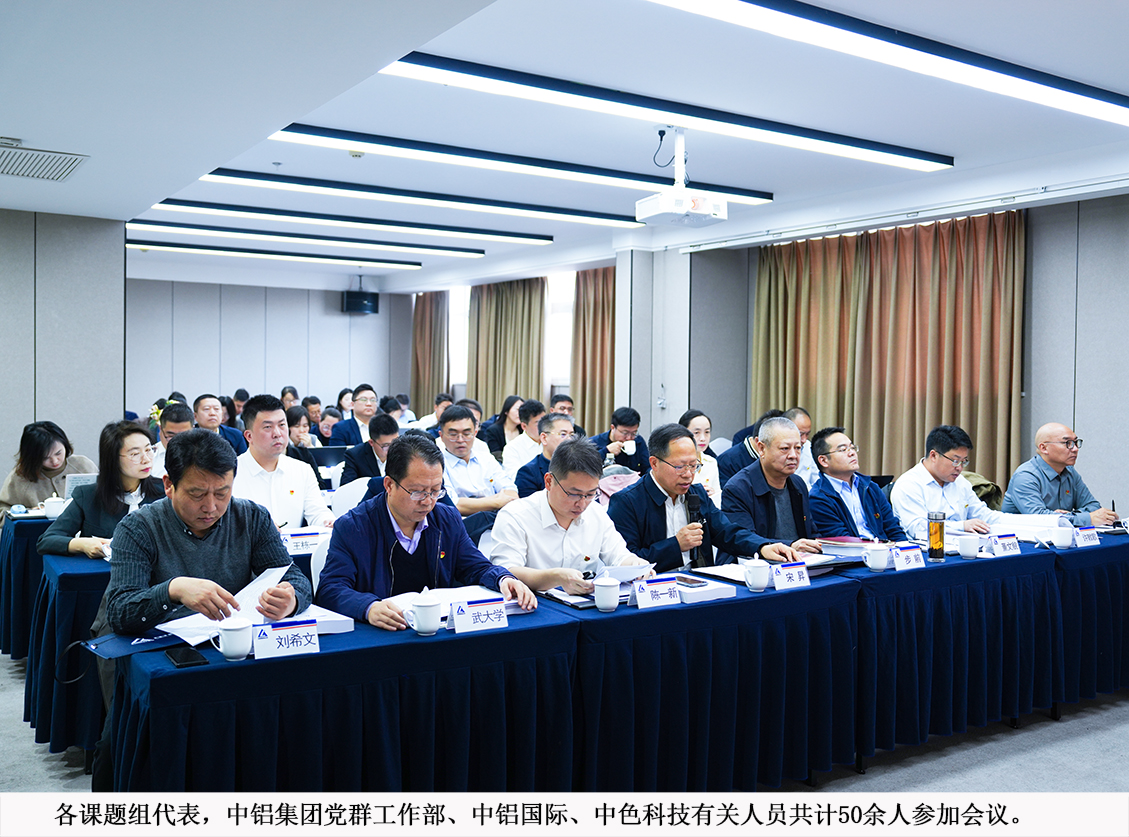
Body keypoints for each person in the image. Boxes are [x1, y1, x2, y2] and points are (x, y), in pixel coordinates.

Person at [94, 428, 312, 790]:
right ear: (169, 485)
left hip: (230, 651)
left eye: (222, 493)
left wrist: (291, 599)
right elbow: (119, 611)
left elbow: (295, 578)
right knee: (120, 748)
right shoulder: (138, 527)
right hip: (162, 659)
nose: (211, 506)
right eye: (197, 494)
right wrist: (173, 590)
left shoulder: (252, 518)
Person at [316, 433, 536, 630]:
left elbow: (475, 566)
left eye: (435, 491)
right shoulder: (353, 527)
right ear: (389, 485)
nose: (428, 501)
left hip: (436, 631)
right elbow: (330, 589)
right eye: (418, 492)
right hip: (384, 633)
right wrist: (368, 607)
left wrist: (502, 579)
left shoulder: (446, 518)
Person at [607, 424, 794, 573]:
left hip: (698, 585)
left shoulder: (696, 494)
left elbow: (728, 533)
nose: (689, 474)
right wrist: (676, 545)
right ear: (654, 463)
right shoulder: (627, 502)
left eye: (693, 465)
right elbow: (625, 561)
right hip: (653, 589)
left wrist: (763, 547)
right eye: (680, 466)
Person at [492, 438, 649, 593]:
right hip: (532, 603)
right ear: (549, 481)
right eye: (574, 494)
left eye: (591, 494)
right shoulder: (515, 516)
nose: (582, 503)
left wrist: (635, 565)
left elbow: (619, 556)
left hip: (585, 604)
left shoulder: (596, 513)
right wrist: (556, 577)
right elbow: (506, 571)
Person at [37, 421, 164, 557]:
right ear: (113, 458)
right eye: (135, 454)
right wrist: (82, 544)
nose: (146, 459)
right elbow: (46, 541)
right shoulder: (88, 496)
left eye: (148, 450)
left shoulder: (166, 492)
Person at [890, 424, 1029, 539]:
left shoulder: (960, 482)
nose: (960, 468)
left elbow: (984, 516)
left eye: (964, 461)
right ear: (933, 455)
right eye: (955, 461)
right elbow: (918, 529)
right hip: (927, 553)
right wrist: (962, 526)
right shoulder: (908, 485)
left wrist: (1031, 522)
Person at [719, 417, 822, 561]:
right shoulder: (738, 488)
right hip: (754, 566)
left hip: (798, 564)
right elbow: (744, 540)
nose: (793, 455)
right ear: (761, 448)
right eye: (785, 448)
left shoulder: (798, 484)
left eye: (798, 448)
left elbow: (810, 533)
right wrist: (791, 545)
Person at [232, 394, 334, 530]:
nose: (277, 433)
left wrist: (328, 522)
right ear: (249, 436)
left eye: (282, 425)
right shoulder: (230, 474)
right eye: (268, 427)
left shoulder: (302, 470)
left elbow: (317, 512)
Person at [1001, 423, 1119, 526]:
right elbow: (1039, 519)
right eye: (1067, 443)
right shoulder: (1025, 476)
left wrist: (1070, 516)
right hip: (1023, 540)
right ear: (1044, 448)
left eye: (1075, 442)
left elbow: (1093, 506)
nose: (1075, 449)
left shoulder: (1070, 472)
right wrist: (1085, 518)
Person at [808, 426, 907, 541]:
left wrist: (906, 549)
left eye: (852, 447)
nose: (852, 453)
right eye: (843, 449)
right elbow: (844, 541)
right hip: (856, 551)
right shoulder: (818, 498)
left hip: (884, 549)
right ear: (824, 460)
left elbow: (893, 529)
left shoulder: (870, 487)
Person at [0, 421, 96, 529]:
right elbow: (2, 512)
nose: (55, 461)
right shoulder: (20, 477)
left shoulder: (83, 466)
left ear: (65, 445)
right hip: (37, 534)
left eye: (58, 453)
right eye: (45, 458)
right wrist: (27, 513)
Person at [438, 405, 518, 517]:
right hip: (461, 522)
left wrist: (476, 504)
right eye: (453, 434)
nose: (460, 440)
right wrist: (496, 502)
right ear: (441, 436)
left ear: (475, 433)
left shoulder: (486, 459)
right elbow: (453, 504)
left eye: (466, 434)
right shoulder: (437, 465)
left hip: (496, 519)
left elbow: (511, 492)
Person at [718, 409, 783, 489]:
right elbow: (728, 493)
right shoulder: (726, 462)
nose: (792, 454)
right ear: (760, 443)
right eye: (784, 447)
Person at [516, 413, 576, 498]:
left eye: (572, 435)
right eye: (563, 434)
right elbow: (529, 505)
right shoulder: (528, 473)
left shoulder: (579, 466)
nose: (569, 439)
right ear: (544, 438)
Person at [679, 409, 721, 506]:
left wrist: (713, 493)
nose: (703, 438)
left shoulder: (711, 462)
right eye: (696, 433)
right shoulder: (676, 463)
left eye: (707, 432)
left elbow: (718, 495)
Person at [342, 413, 400, 484]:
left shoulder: (404, 452)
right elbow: (346, 486)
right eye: (385, 445)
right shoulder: (355, 456)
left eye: (395, 443)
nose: (392, 448)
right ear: (371, 442)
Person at [591, 407, 650, 474]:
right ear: (613, 428)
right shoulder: (594, 442)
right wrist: (606, 451)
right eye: (625, 433)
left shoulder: (638, 441)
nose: (629, 438)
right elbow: (585, 466)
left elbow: (647, 467)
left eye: (634, 433)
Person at [284, 405, 329, 490]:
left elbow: (320, 466)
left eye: (305, 426)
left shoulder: (313, 439)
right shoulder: (282, 445)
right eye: (296, 426)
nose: (302, 430)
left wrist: (310, 447)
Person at [502, 398, 547, 477]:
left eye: (545, 421)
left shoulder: (553, 442)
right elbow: (515, 477)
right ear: (524, 426)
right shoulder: (512, 448)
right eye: (538, 423)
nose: (544, 426)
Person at [150, 401, 194, 479]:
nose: (177, 441)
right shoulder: (149, 457)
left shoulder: (205, 455)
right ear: (160, 429)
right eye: (171, 436)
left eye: (183, 436)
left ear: (193, 430)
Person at [784, 407, 819, 488]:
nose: (804, 440)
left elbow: (816, 479)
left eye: (807, 434)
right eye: (801, 434)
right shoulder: (778, 450)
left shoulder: (808, 447)